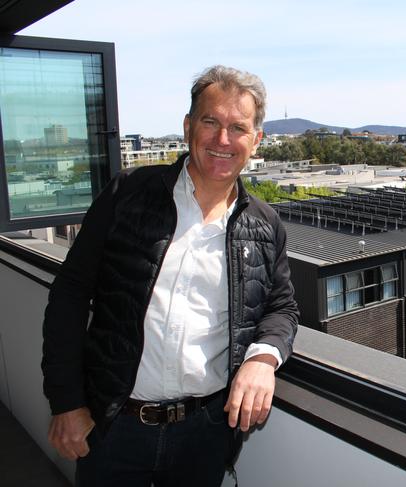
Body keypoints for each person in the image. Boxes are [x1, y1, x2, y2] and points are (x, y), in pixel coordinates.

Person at [42, 65, 299, 486]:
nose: (222, 139)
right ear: (187, 127)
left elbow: (282, 307)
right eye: (210, 121)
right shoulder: (127, 194)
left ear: (256, 141)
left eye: (238, 127)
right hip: (113, 426)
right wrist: (67, 402)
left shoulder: (265, 225)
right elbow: (70, 294)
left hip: (205, 433)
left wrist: (263, 359)